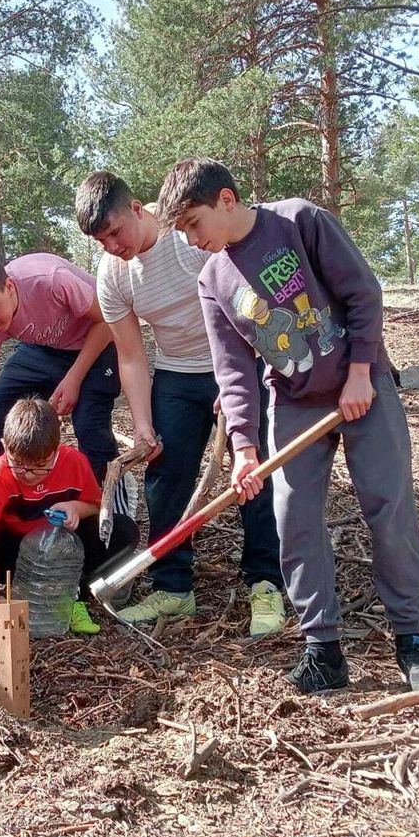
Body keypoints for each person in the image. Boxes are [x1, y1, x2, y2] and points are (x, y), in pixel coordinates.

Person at [156, 157, 419, 693]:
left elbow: (363, 293)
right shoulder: (213, 281)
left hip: (362, 386)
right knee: (293, 517)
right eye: (181, 231)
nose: (190, 239)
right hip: (293, 400)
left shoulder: (299, 221)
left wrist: (361, 372)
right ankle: (323, 650)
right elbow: (233, 369)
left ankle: (411, 640)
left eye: (193, 224)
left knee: (387, 505)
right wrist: (245, 446)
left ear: (226, 198)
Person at [76, 171, 287, 638]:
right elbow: (131, 356)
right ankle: (173, 587)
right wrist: (144, 425)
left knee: (253, 472)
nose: (112, 246)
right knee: (165, 478)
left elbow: (247, 304)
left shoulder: (187, 234)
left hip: (239, 361)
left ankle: (265, 582)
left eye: (115, 232)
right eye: (100, 240)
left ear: (138, 209)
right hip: (176, 373)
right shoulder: (112, 274)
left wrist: (233, 387)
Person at [0, 398, 138, 653]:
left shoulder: (74, 462)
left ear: (56, 450)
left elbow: (97, 505)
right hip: (13, 549)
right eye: (19, 465)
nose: (29, 475)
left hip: (58, 553)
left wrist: (76, 508)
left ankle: (75, 598)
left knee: (123, 530)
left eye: (41, 466)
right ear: (5, 447)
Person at [0, 250, 120, 507]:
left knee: (89, 425)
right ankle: (7, 495)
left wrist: (73, 378)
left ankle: (105, 504)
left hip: (95, 342)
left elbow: (107, 319)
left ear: (8, 286)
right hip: (40, 348)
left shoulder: (50, 280)